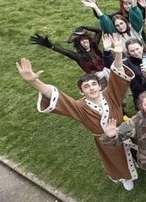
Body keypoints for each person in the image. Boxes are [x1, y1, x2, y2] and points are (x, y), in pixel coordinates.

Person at [16, 34, 138, 191]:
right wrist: (34, 81)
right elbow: (55, 96)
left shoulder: (111, 94)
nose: (92, 88)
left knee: (135, 149)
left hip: (124, 130)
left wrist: (119, 53)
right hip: (106, 140)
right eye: (86, 87)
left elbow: (118, 76)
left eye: (94, 84)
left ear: (99, 86)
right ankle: (125, 177)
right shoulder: (79, 108)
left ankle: (138, 162)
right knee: (117, 160)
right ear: (81, 92)